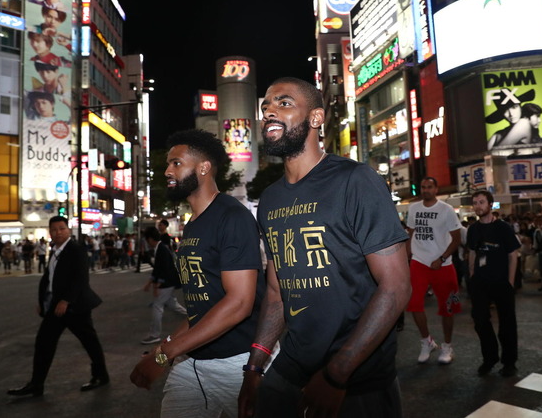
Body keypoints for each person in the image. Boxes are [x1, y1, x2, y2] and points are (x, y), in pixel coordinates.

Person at [238, 77, 411, 418]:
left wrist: (337, 373)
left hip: (358, 377)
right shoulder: (270, 199)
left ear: (316, 119)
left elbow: (396, 287)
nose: (269, 111)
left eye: (284, 103)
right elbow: (276, 290)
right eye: (265, 106)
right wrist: (255, 367)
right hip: (291, 366)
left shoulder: (356, 180)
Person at [130, 129, 266, 418]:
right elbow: (202, 308)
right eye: (168, 163)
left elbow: (240, 304)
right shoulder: (193, 225)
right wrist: (165, 348)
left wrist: (165, 355)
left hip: (238, 364)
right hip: (193, 362)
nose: (167, 170)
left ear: (203, 168)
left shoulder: (232, 217)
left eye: (176, 163)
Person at [7, 216, 108, 397]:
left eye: (61, 228)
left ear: (68, 230)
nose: (58, 232)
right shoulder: (55, 250)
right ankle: (36, 384)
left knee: (89, 341)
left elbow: (80, 279)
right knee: (44, 342)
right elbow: (49, 279)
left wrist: (66, 300)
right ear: (50, 232)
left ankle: (101, 376)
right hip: (56, 306)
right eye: (54, 229)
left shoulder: (76, 249)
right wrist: (42, 301)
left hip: (75, 306)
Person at [406, 176, 462, 364]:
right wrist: (407, 258)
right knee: (413, 303)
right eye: (423, 187)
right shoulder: (413, 208)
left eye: (430, 187)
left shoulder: (446, 210)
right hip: (419, 261)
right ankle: (426, 341)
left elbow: (456, 239)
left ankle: (447, 346)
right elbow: (409, 235)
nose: (426, 190)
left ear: (436, 189)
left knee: (448, 306)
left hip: (443, 264)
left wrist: (442, 258)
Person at [466, 190, 521, 377]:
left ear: (490, 205)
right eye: (475, 203)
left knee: (507, 323)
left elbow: (513, 255)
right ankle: (489, 358)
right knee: (480, 320)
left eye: (482, 202)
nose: (478, 206)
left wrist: (510, 282)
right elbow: (472, 253)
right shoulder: (473, 229)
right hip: (480, 283)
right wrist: (472, 275)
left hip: (501, 282)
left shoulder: (503, 228)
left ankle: (509, 362)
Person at [139, 226, 187, 345]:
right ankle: (191, 316)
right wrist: (149, 283)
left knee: (157, 306)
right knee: (172, 304)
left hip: (167, 283)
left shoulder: (161, 249)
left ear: (150, 239)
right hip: (169, 282)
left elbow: (163, 270)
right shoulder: (161, 248)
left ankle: (154, 334)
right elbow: (158, 269)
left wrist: (155, 286)